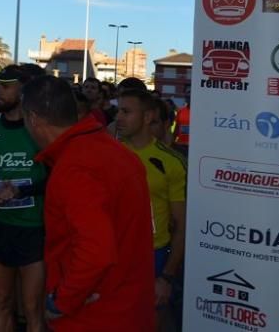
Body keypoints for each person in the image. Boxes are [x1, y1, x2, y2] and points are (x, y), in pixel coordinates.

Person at [23, 75, 155, 331]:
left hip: (94, 317)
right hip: (129, 309)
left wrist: (60, 302)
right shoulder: (112, 151)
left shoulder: (76, 166)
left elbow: (95, 252)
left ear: (34, 119)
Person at [0, 65, 46, 332]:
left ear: (23, 90)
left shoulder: (38, 128)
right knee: (2, 301)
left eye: (5, 87)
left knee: (32, 307)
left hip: (33, 228)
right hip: (0, 226)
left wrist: (21, 191)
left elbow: (53, 177)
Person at [115, 89, 186, 331]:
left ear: (147, 117)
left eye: (126, 112)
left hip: (153, 257)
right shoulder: (109, 153)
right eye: (118, 111)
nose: (119, 118)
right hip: (111, 255)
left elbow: (181, 225)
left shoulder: (171, 162)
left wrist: (166, 276)